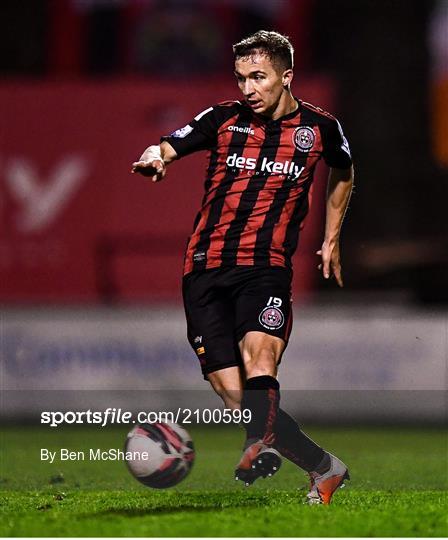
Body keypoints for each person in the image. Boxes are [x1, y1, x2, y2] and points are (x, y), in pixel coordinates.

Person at [132, 30, 354, 505]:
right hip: (204, 268)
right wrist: (155, 157)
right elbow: (170, 144)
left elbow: (343, 169)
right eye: (241, 78)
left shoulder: (319, 128)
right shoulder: (223, 119)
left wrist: (332, 235)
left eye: (258, 77)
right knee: (237, 397)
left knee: (260, 359)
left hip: (266, 267)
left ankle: (258, 443)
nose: (247, 88)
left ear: (286, 76)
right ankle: (323, 467)